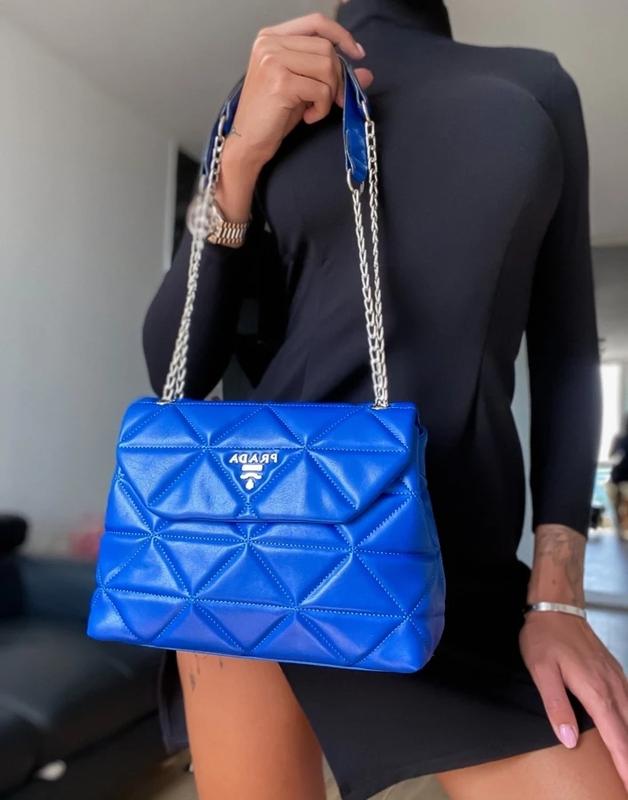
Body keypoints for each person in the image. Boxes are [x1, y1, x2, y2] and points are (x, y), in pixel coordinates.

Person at [142, 2, 628, 798]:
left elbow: (570, 351)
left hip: (460, 564)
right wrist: (236, 160)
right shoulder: (269, 82)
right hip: (257, 541)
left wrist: (558, 598)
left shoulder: (537, 83)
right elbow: (171, 366)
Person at [607, 414, 628, 539]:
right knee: (620, 505)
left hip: (618, 475)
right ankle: (621, 530)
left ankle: (620, 530)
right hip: (620, 476)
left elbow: (611, 455)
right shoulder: (619, 438)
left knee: (618, 505)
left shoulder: (618, 439)